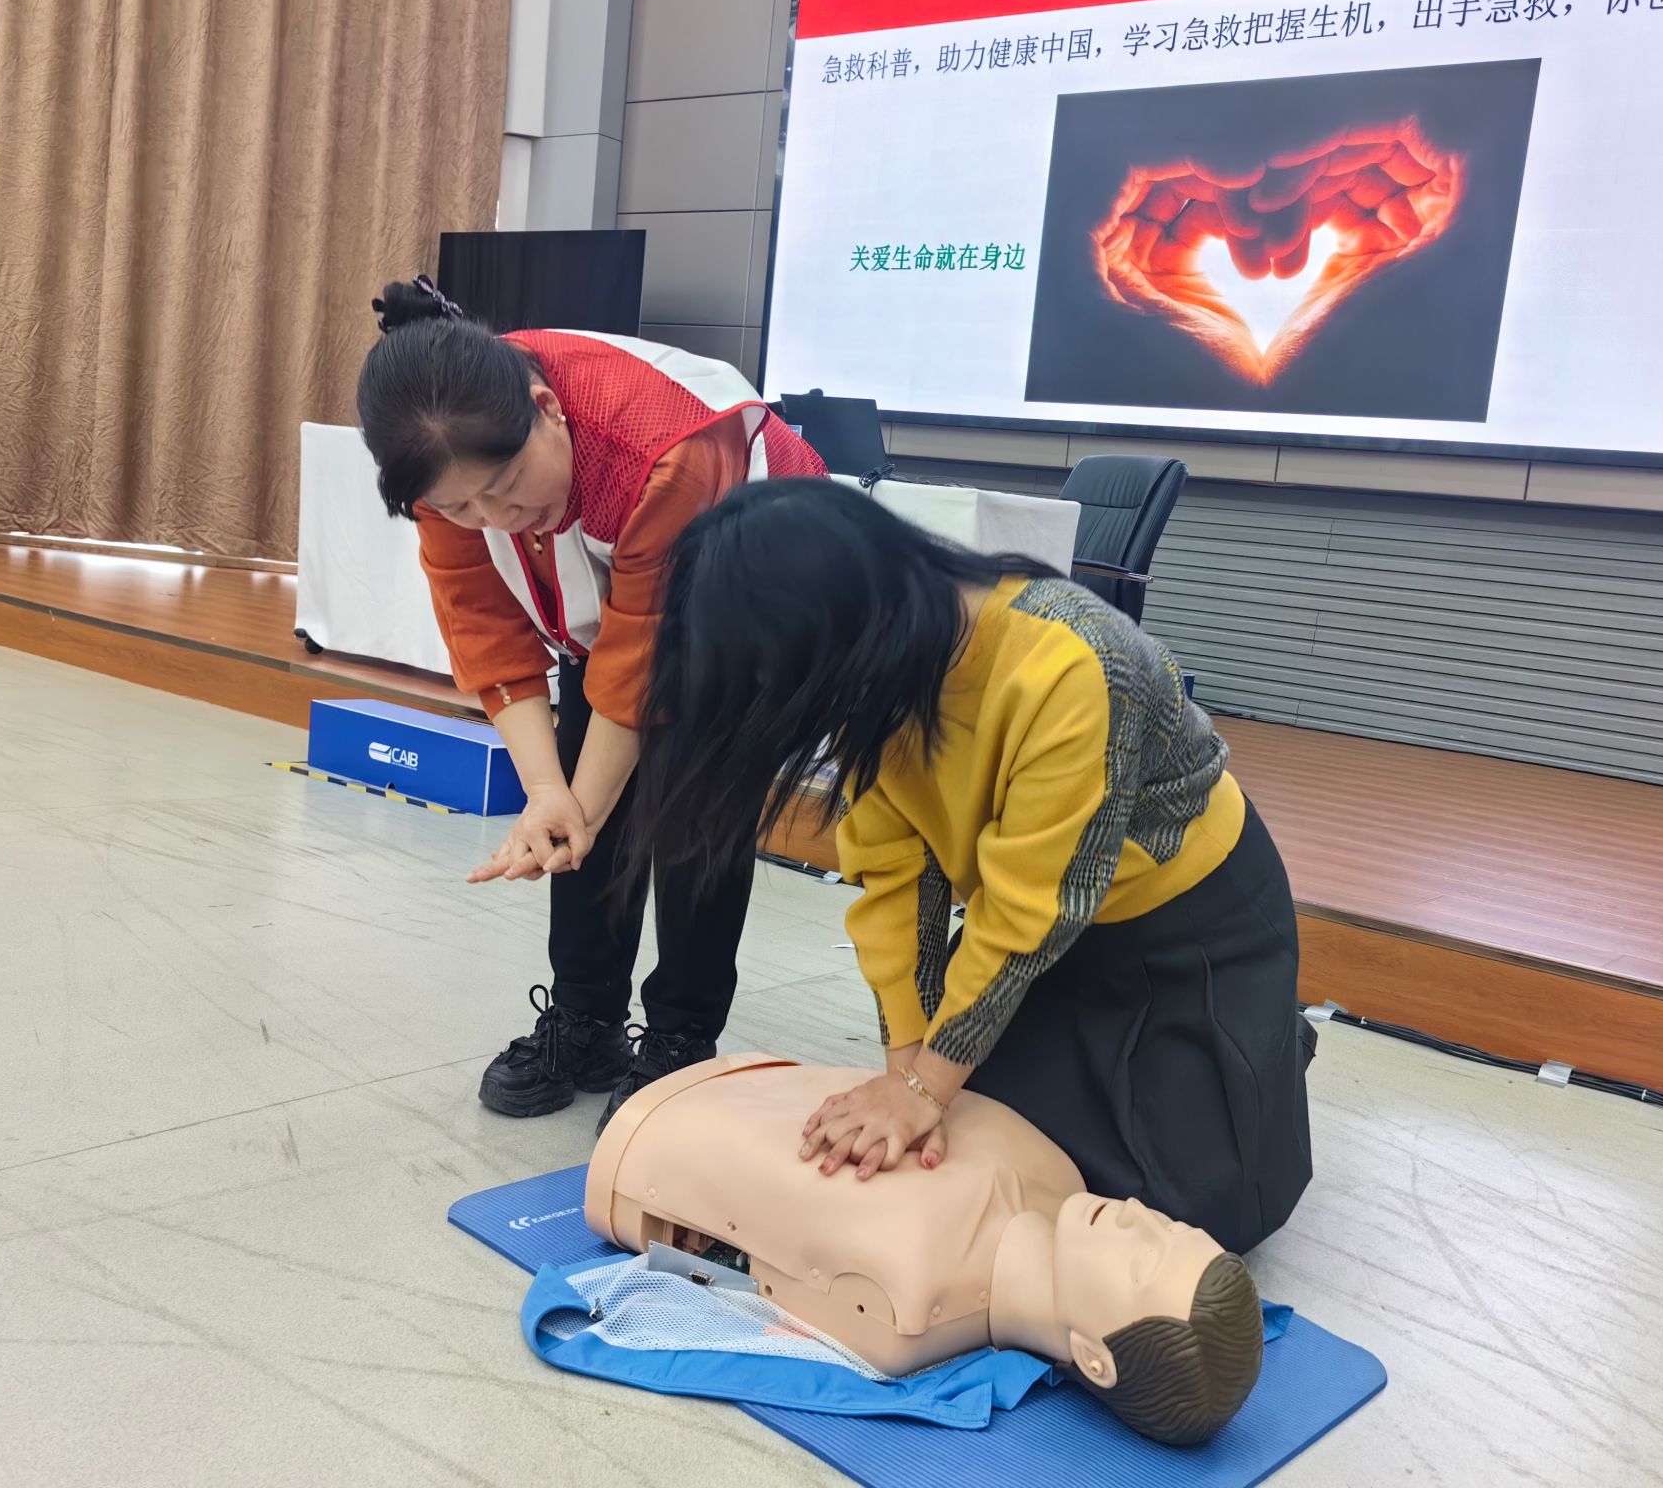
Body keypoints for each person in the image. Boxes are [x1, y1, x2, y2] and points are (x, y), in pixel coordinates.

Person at [624, 479, 1313, 1253]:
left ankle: (1263, 1039)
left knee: (1193, 1212)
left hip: (1189, 924)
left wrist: (924, 1088)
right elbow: (895, 880)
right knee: (981, 1145)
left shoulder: (1077, 661)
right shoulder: (872, 677)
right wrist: (907, 1079)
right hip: (1043, 931)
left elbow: (1034, 910)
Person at [354, 276, 827, 1127]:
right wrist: (549, 795)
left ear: (547, 409)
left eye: (505, 483)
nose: (493, 516)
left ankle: (680, 1040)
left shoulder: (665, 446)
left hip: (752, 598)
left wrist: (579, 806)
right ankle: (586, 1018)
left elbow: (644, 656)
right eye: (461, 506)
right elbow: (487, 631)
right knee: (578, 796)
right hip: (621, 605)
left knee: (693, 816)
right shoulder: (442, 465)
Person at [582, 1053, 1265, 1444]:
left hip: (648, 1130)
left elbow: (727, 1275)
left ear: (1094, 1358)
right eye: (1167, 1226)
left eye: (1144, 1257)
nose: (1137, 1214)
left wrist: (682, 1261)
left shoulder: (903, 1307)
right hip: (743, 1078)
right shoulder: (1061, 1176)